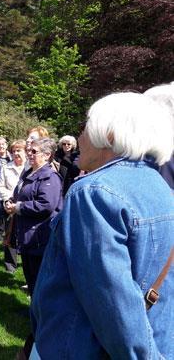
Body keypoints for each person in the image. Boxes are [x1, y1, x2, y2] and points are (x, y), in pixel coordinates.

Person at [30, 92, 174, 359]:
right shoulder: (162, 188)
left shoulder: (94, 192)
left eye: (85, 127)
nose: (80, 138)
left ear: (108, 134)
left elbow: (114, 305)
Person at [5, 138, 62, 295]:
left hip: (39, 237)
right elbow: (20, 194)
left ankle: (41, 315)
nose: (29, 153)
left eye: (34, 151)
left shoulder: (50, 177)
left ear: (47, 155)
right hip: (26, 234)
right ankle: (33, 312)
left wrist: (18, 207)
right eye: (29, 150)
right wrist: (11, 202)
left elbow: (46, 205)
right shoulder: (29, 172)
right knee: (30, 277)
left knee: (39, 280)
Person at [0, 139, 26, 273]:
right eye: (13, 151)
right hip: (9, 206)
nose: (16, 154)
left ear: (25, 152)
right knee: (9, 235)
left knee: (26, 236)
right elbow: (0, 186)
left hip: (25, 205)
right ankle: (10, 266)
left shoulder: (30, 168)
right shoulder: (6, 167)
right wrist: (8, 199)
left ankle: (27, 266)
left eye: (19, 150)